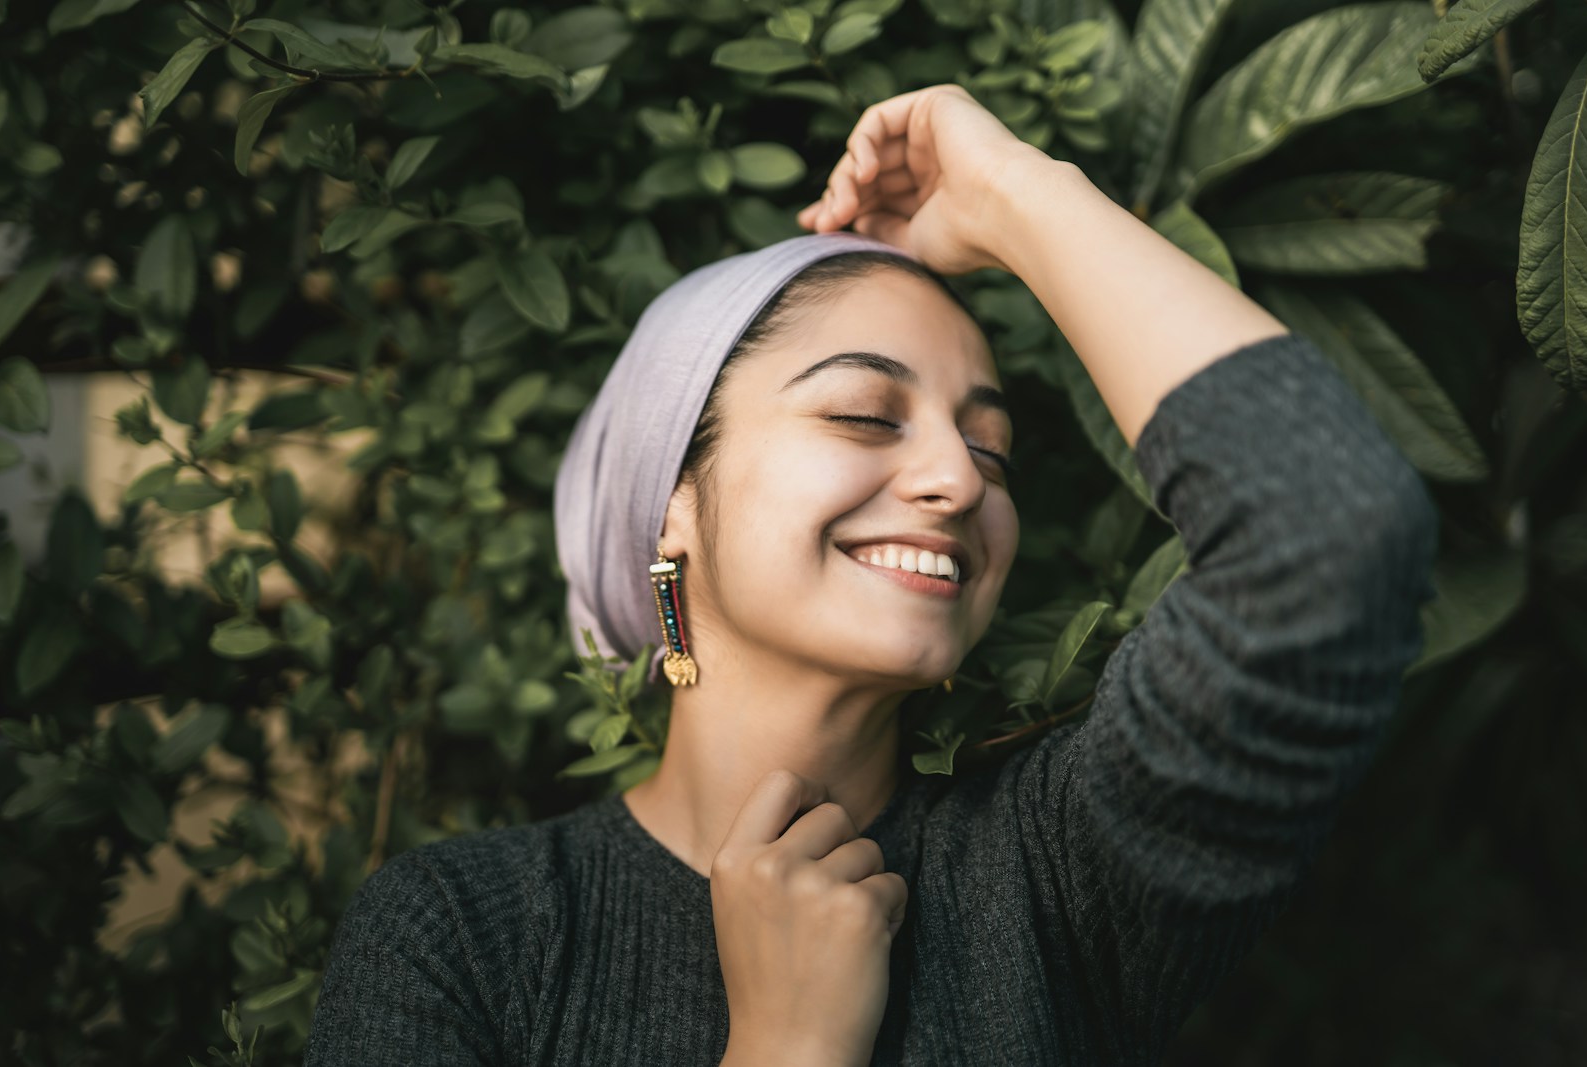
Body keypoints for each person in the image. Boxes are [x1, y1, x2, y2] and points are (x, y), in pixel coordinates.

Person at [303, 84, 1439, 1065]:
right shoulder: (459, 935)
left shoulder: (1061, 870)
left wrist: (1013, 195)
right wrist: (789, 1045)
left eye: (989, 447)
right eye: (861, 413)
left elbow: (1329, 533)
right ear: (672, 500)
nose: (957, 476)